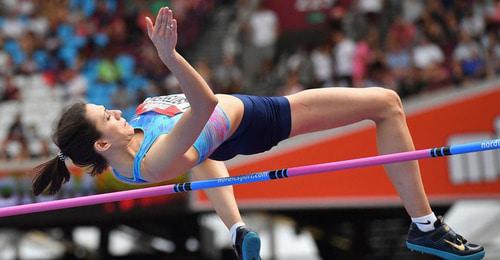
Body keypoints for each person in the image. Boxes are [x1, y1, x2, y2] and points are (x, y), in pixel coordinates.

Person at [32, 7, 484, 260]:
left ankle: (236, 231)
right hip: (259, 118)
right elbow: (205, 107)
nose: (113, 110)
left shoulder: (143, 140)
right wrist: (171, 58)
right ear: (101, 145)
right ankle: (425, 227)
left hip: (224, 135)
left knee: (201, 156)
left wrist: (236, 226)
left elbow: (205, 157)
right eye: (104, 116)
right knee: (387, 105)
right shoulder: (150, 160)